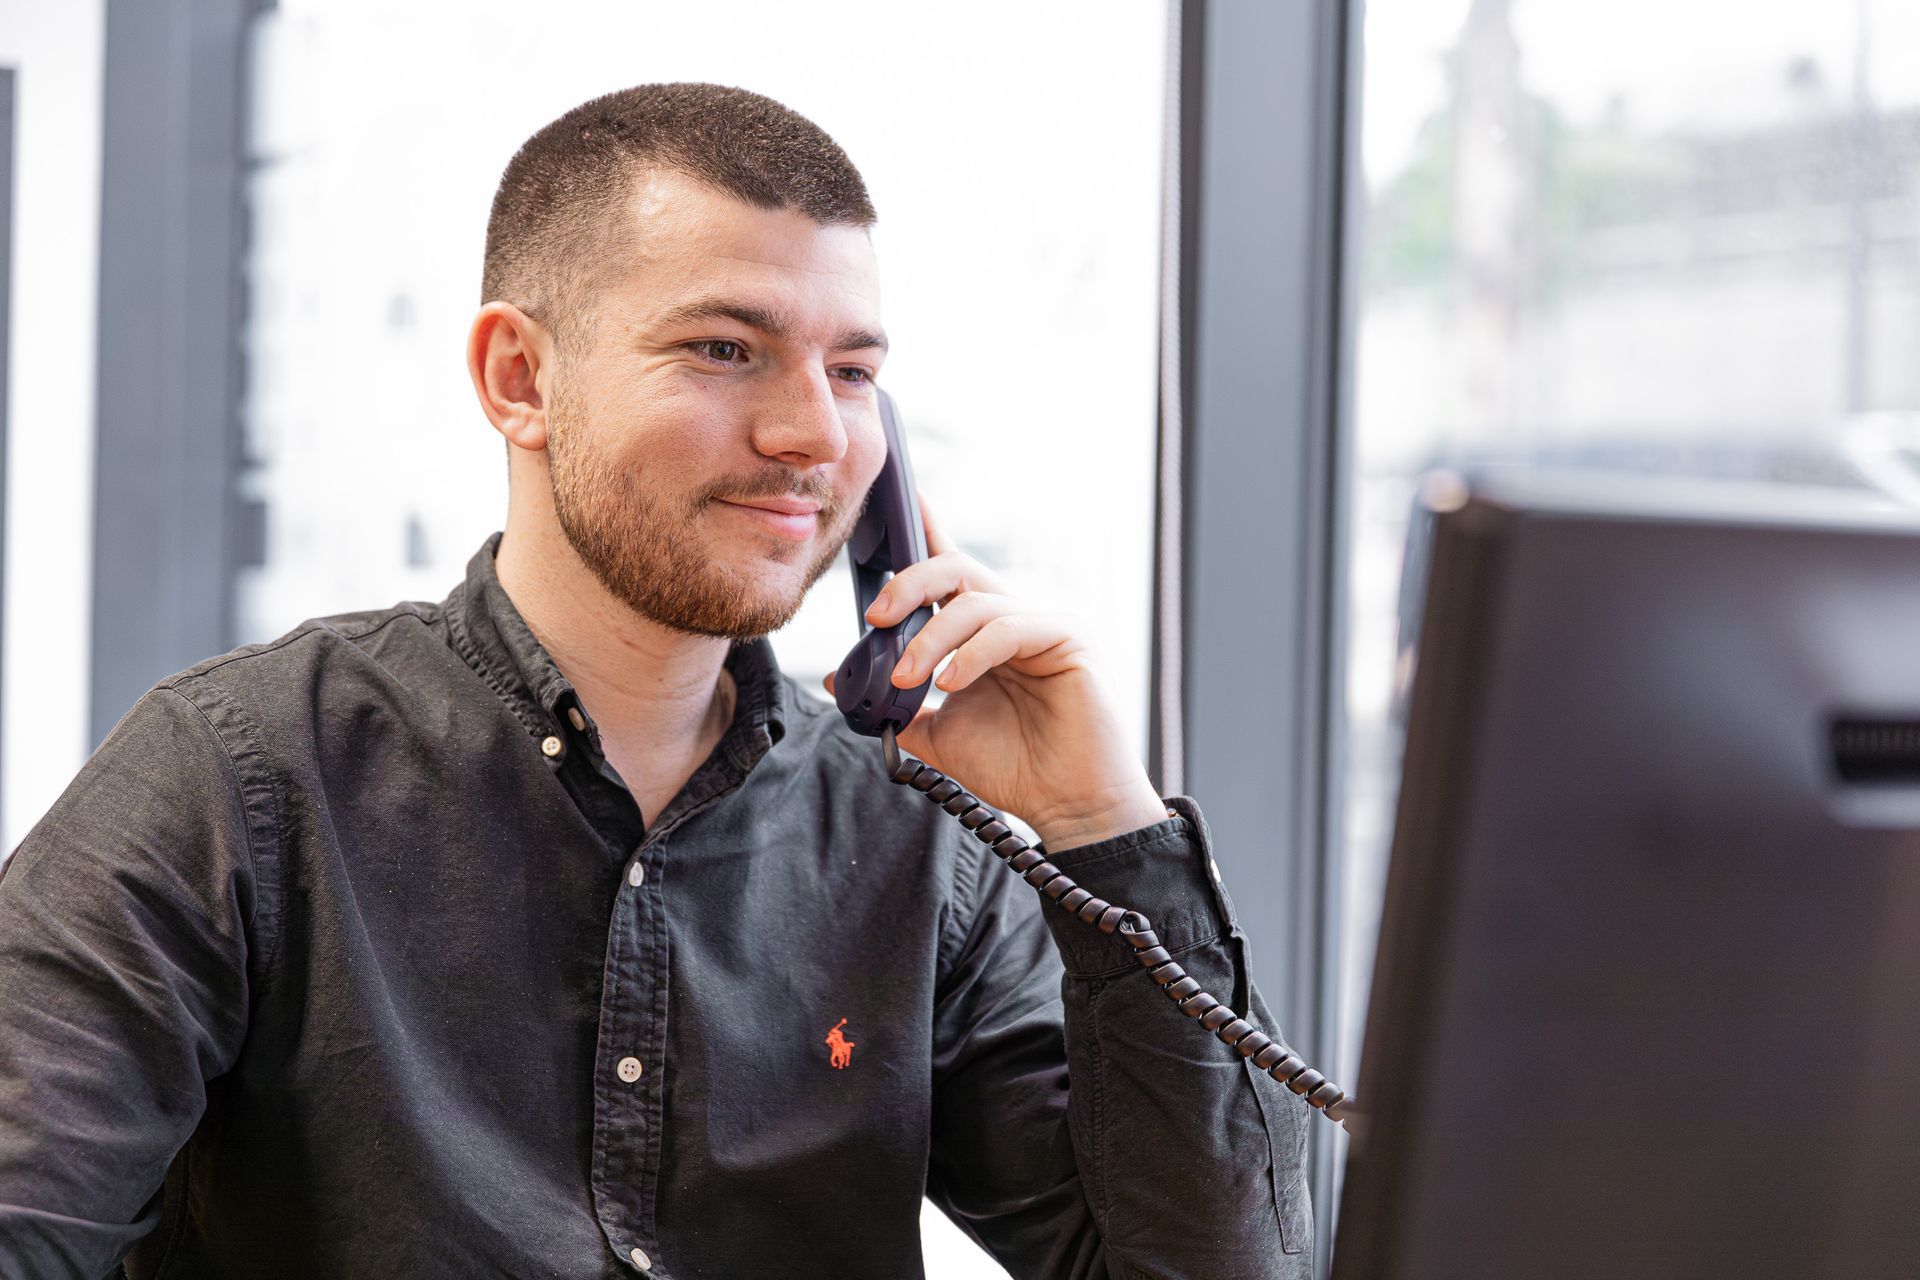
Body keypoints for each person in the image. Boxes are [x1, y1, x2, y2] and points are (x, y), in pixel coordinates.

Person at [0, 84, 1312, 1279]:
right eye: (725, 349)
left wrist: (1104, 825)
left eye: (854, 372)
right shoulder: (242, 774)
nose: (813, 434)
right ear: (520, 377)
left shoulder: (917, 840)